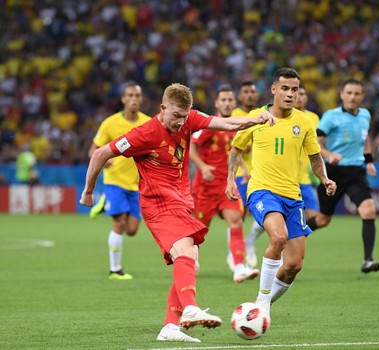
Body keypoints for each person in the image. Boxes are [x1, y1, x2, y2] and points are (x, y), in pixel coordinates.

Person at [80, 83, 275, 343]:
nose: (180, 122)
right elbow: (102, 153)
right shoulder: (144, 133)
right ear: (163, 108)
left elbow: (228, 124)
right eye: (176, 116)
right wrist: (88, 191)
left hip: (182, 202)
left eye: (184, 116)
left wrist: (256, 118)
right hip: (157, 205)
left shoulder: (189, 120)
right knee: (185, 252)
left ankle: (170, 326)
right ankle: (191, 308)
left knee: (191, 258)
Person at [225, 67, 336, 315]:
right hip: (262, 191)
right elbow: (236, 150)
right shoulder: (255, 118)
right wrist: (230, 180)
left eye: (294, 89)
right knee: (278, 237)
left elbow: (315, 157)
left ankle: (262, 303)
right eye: (284, 88)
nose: (290, 94)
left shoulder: (304, 121)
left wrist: (325, 179)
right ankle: (262, 304)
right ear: (273, 89)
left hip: (293, 197)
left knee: (294, 265)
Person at [307, 79, 379, 274]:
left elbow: (365, 138)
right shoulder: (331, 117)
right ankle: (293, 236)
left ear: (362, 96)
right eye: (349, 93)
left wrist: (369, 161)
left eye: (357, 93)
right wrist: (329, 155)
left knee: (368, 211)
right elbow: (315, 144)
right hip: (333, 173)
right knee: (323, 219)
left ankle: (368, 260)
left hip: (356, 172)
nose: (352, 97)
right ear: (341, 94)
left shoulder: (365, 115)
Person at [189, 86, 260, 283]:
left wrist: (243, 168)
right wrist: (203, 166)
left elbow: (234, 151)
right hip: (205, 187)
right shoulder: (207, 124)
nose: (227, 103)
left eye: (230, 100)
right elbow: (191, 147)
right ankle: (189, 264)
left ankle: (239, 268)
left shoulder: (235, 126)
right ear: (217, 103)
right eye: (224, 100)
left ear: (234, 104)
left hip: (227, 185)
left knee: (236, 220)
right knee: (198, 232)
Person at [243, 85, 321, 261]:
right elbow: (238, 147)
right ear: (275, 90)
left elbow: (317, 148)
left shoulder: (311, 119)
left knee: (316, 218)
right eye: (288, 90)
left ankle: (288, 247)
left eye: (299, 92)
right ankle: (257, 239)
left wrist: (324, 176)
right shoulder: (262, 116)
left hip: (301, 180)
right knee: (276, 228)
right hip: (268, 181)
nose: (295, 96)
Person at [88, 82, 151, 280]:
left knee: (131, 230)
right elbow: (93, 150)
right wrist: (104, 163)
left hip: (136, 184)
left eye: (137, 96)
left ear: (141, 99)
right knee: (119, 225)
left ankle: (105, 204)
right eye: (130, 95)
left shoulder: (148, 123)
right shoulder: (110, 123)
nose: (134, 99)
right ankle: (115, 270)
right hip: (114, 181)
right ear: (123, 99)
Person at [228, 81, 260, 269]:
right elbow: (235, 147)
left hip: (260, 174)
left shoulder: (262, 115)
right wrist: (244, 170)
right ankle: (235, 254)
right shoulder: (235, 116)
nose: (249, 95)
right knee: (238, 216)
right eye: (245, 92)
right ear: (239, 97)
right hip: (242, 174)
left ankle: (249, 242)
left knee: (262, 215)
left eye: (252, 92)